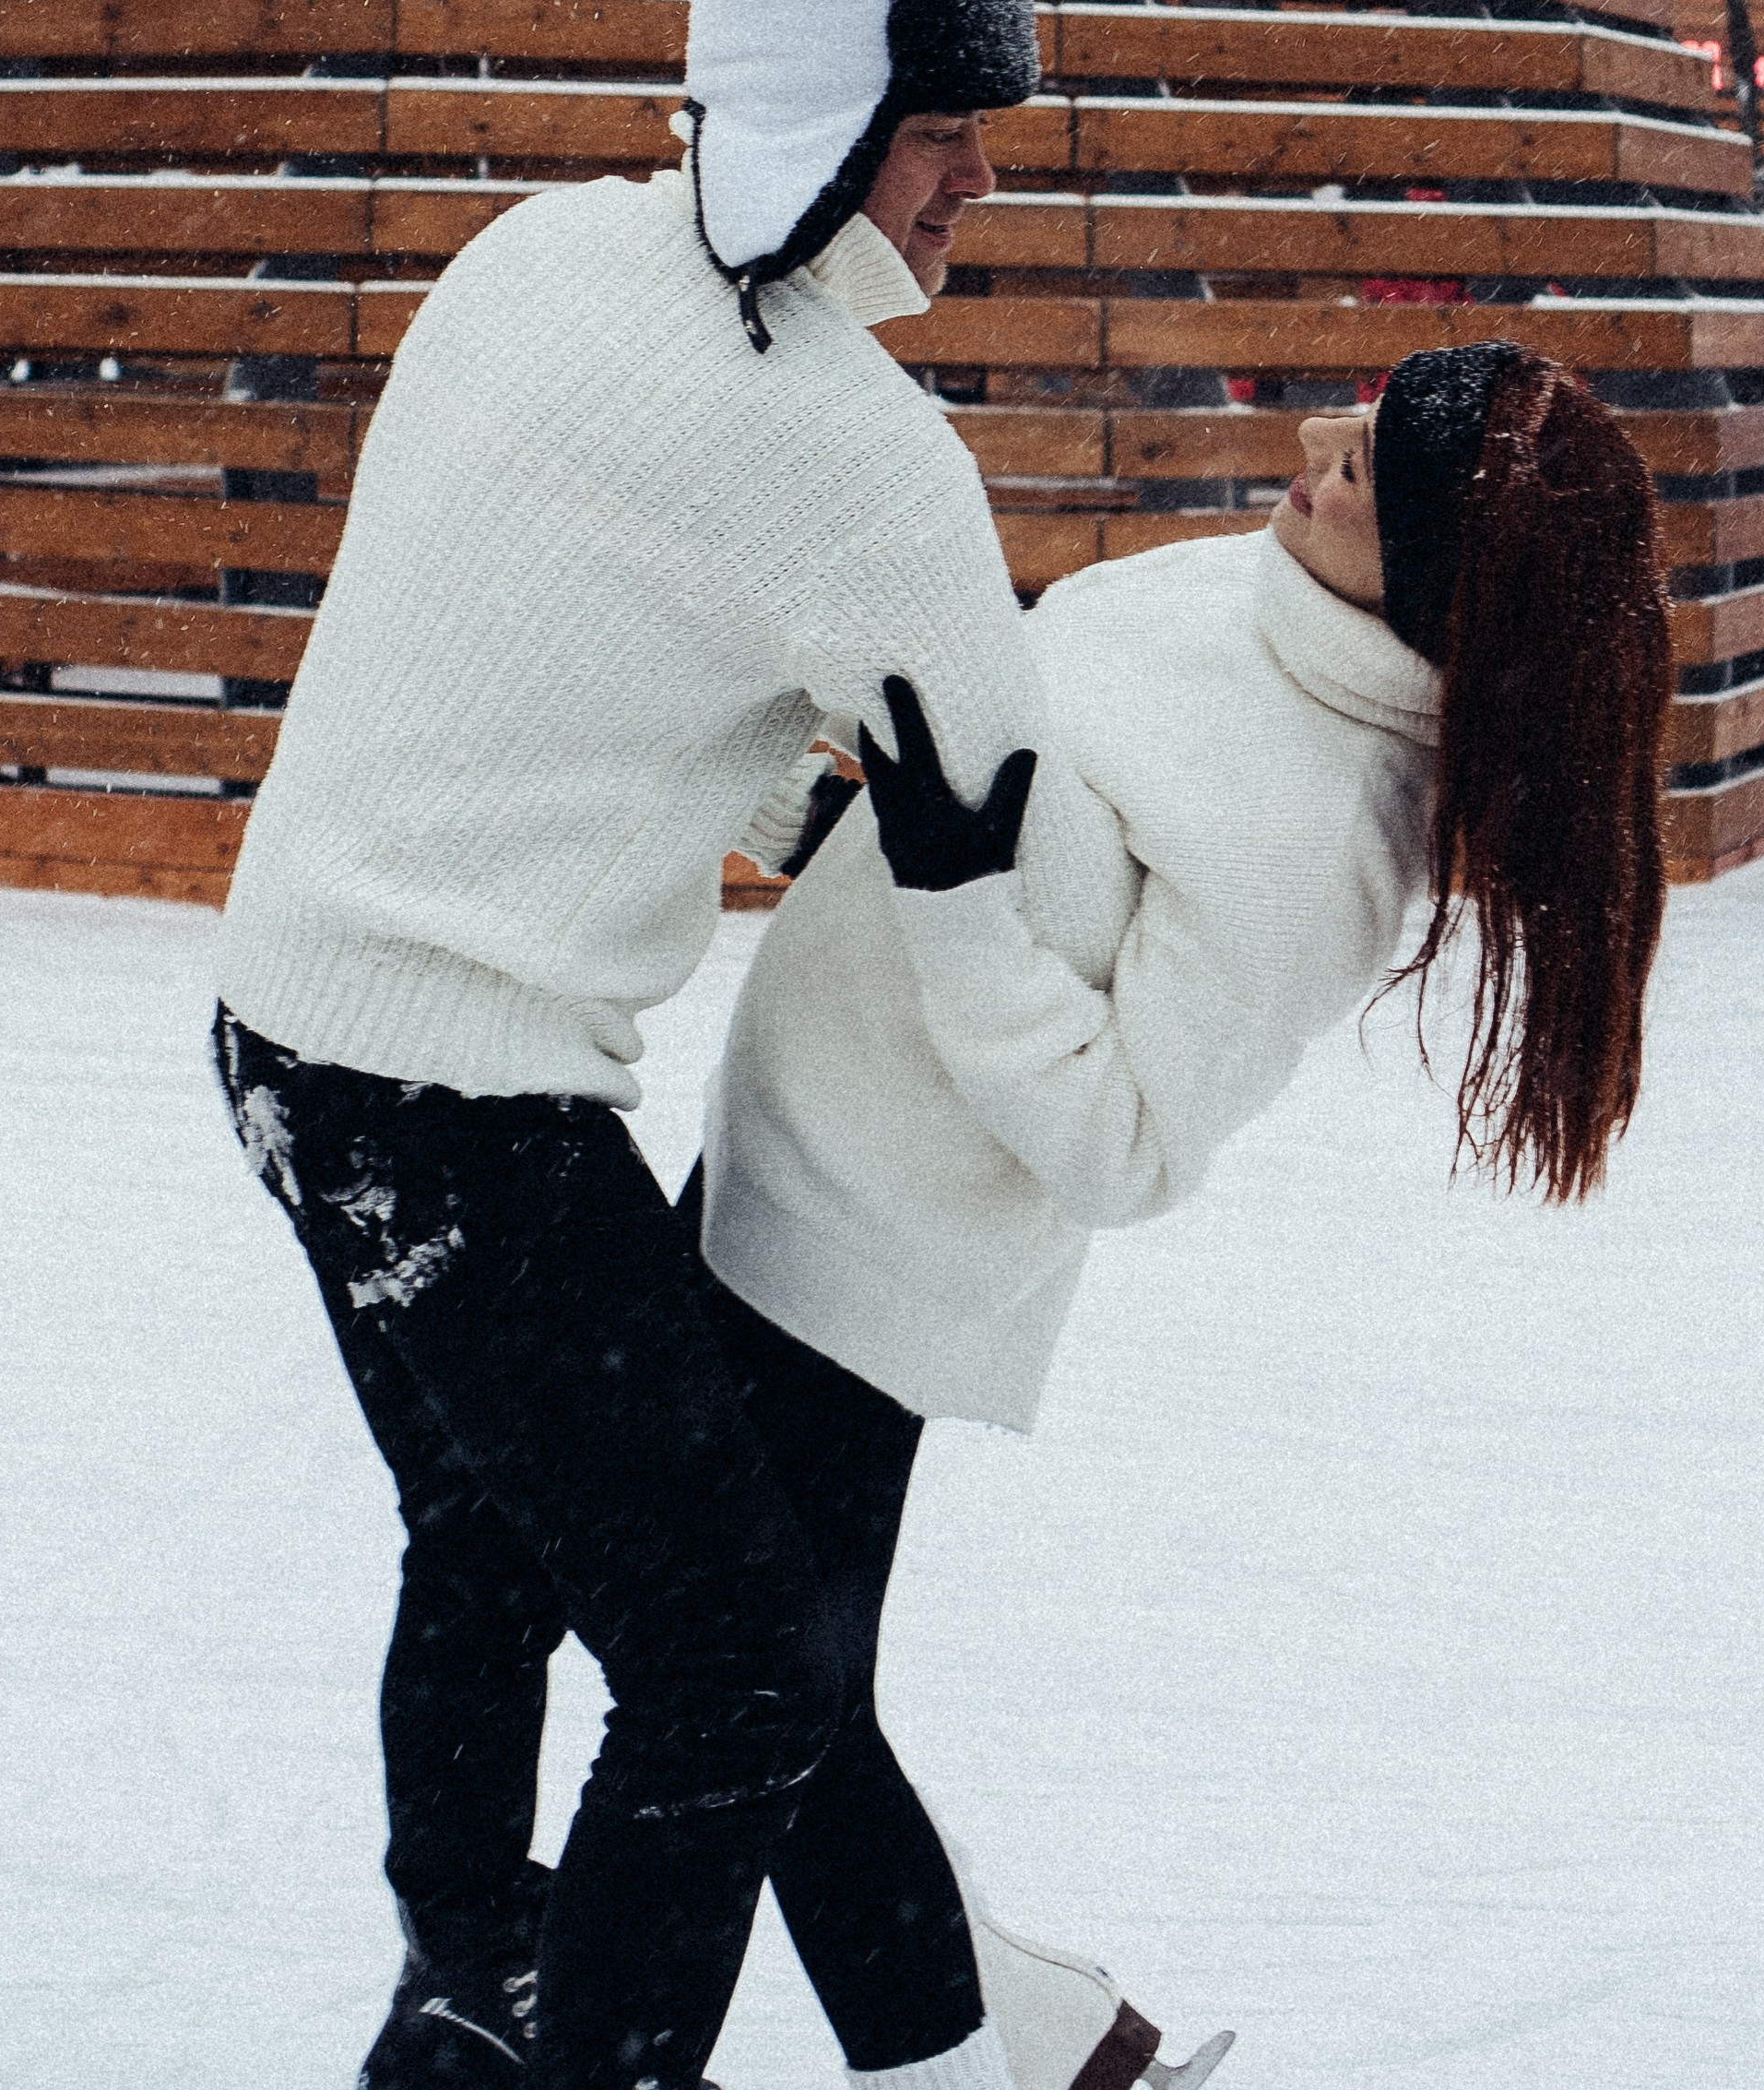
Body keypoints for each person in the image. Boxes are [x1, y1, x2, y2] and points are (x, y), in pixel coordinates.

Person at [207, 0, 1134, 2090]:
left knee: (489, 1535)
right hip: (457, 1094)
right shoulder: (854, 452)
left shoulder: (529, 256)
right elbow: (1006, 805)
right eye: (941, 136)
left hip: (279, 1028)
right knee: (735, 1667)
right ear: (820, 122)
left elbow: (571, 648)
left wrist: (793, 792)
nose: (978, 181)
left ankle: (468, 1982)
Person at [691, 342, 1672, 2087]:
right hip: (775, 1145)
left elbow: (1125, 1142)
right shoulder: (1255, 590)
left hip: (868, 1256)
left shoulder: (1324, 827)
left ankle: (942, 2053)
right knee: (763, 1698)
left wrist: (949, 905)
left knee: (747, 1703)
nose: (1312, 437)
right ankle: (1062, 2046)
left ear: (1434, 575)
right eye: (1354, 420)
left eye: (1363, 466)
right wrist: (834, 813)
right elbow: (1020, 820)